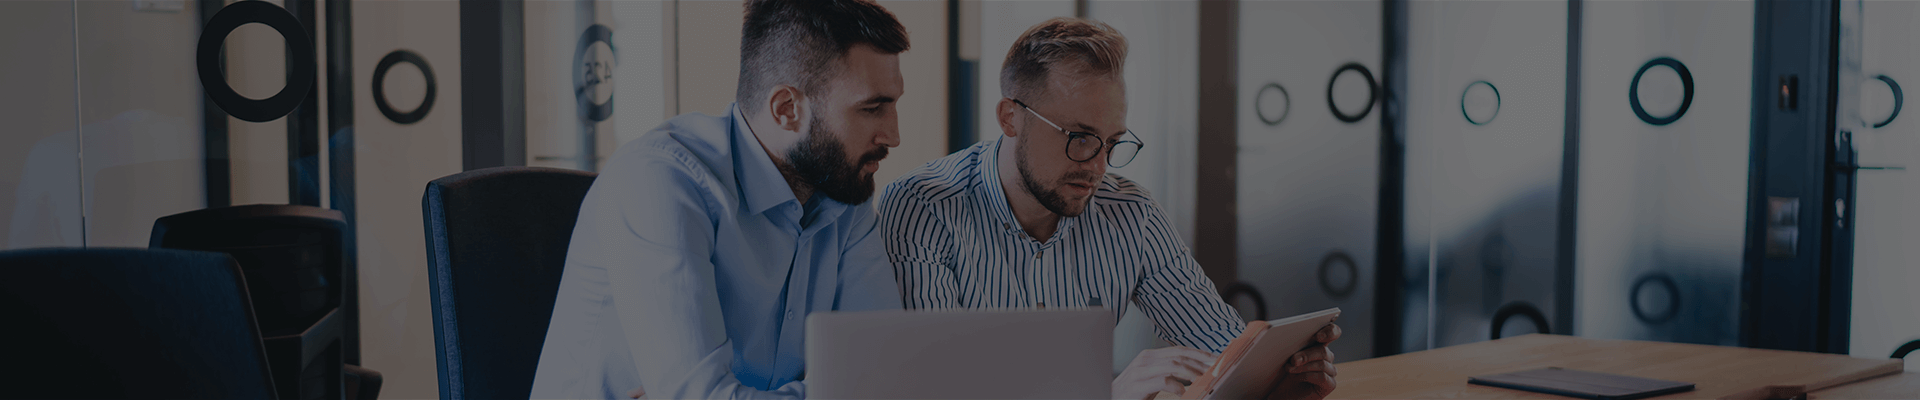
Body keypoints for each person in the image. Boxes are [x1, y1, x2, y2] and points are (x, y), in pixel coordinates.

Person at [877, 17, 1340, 400]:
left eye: (1113, 142)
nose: (1097, 167)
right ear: (1010, 117)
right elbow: (932, 390)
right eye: (1079, 137)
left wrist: (1279, 375)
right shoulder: (924, 207)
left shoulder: (1129, 211)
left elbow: (1222, 349)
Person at [530, 1, 910, 398]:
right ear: (787, 109)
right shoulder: (661, 181)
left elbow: (883, 375)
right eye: (872, 108)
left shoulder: (844, 194)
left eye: (894, 104)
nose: (893, 135)